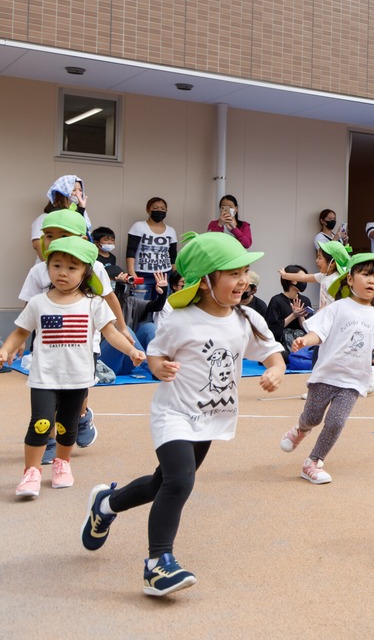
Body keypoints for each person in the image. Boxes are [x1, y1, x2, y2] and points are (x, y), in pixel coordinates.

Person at [79, 232, 285, 597]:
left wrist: (275, 369)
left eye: (245, 272)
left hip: (210, 418)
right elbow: (157, 352)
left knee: (163, 483)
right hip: (173, 413)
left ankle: (106, 504)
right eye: (232, 273)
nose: (243, 281)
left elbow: (271, 353)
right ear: (205, 281)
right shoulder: (181, 319)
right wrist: (159, 368)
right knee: (180, 483)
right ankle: (158, 564)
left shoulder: (247, 318)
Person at [0, 237, 145, 497]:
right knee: (42, 423)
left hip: (77, 378)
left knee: (68, 425)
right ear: (48, 269)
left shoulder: (93, 303)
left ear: (85, 272)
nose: (63, 273)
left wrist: (132, 350)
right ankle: (31, 472)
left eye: (71, 267)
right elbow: (20, 332)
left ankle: (62, 464)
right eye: (56, 266)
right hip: (44, 377)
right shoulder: (38, 303)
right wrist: (5, 349)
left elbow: (110, 333)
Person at [280, 253, 374, 484]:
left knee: (336, 422)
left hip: (354, 380)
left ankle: (313, 462)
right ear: (350, 280)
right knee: (312, 418)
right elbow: (319, 332)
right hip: (326, 374)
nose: (371, 281)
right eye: (365, 274)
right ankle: (301, 429)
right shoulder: (338, 308)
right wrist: (305, 340)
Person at [126, 197, 178, 301]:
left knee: (162, 310)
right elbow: (131, 251)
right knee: (140, 310)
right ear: (148, 210)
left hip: (164, 276)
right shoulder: (139, 226)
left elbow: (173, 255)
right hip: (142, 275)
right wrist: (132, 273)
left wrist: (175, 275)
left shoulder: (171, 231)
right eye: (156, 208)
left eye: (163, 209)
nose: (159, 211)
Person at [31, 175, 92, 261]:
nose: (78, 194)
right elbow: (37, 244)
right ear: (62, 193)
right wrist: (49, 265)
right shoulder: (44, 218)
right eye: (74, 190)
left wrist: (81, 210)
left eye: (80, 190)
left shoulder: (80, 217)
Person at [279, 242, 350, 312]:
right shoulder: (323, 276)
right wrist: (285, 275)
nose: (316, 261)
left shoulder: (336, 280)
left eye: (320, 258)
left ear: (332, 262)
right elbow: (304, 277)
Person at [266, 265, 313, 350]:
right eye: (302, 277)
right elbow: (272, 329)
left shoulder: (305, 300)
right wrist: (293, 315)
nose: (305, 280)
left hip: (302, 347)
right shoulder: (276, 300)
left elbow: (310, 330)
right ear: (293, 280)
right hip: (281, 347)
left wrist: (300, 316)